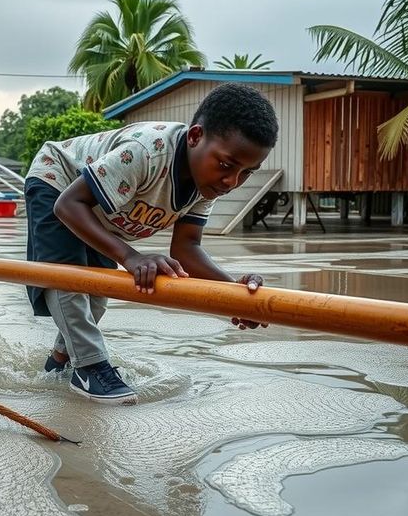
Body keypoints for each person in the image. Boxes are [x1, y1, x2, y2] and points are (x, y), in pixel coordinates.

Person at [24, 83, 279, 405]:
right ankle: (89, 366)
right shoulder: (148, 152)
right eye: (227, 165)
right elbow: (68, 205)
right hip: (59, 182)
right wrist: (130, 256)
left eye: (247, 172)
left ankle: (60, 360)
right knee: (68, 278)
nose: (232, 182)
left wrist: (235, 295)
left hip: (100, 211)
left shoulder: (207, 184)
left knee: (100, 292)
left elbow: (187, 250)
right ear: (195, 136)